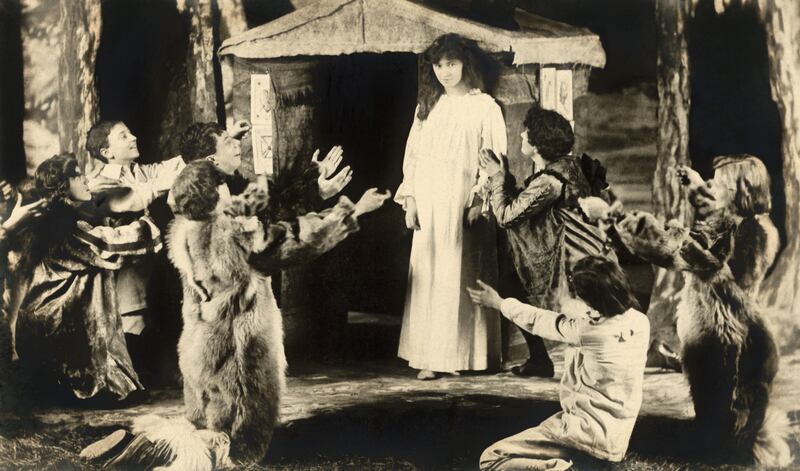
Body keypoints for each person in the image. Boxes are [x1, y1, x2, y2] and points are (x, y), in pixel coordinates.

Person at [167, 160, 390, 460]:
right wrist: (354, 210)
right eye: (223, 187)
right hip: (240, 345)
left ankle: (200, 455)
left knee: (205, 415)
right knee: (245, 426)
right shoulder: (235, 234)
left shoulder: (185, 235)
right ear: (215, 194)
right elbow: (294, 239)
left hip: (201, 343)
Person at [468, 256, 649, 470]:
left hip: (580, 433)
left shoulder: (587, 332)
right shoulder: (640, 322)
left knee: (491, 458)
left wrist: (498, 302)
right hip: (616, 441)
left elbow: (538, 320)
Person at [395, 33, 506, 380]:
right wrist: (410, 199)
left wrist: (478, 197)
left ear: (465, 64)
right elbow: (412, 157)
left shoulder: (485, 107)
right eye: (439, 65)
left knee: (459, 275)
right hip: (430, 204)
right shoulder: (427, 108)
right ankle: (431, 356)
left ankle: (466, 355)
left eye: (452, 64)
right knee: (430, 276)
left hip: (461, 202)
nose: (445, 72)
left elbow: (494, 157)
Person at [13, 153, 162, 402]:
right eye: (76, 175)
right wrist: (148, 222)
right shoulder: (60, 225)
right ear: (62, 185)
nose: (84, 180)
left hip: (49, 319)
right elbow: (105, 245)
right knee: (101, 389)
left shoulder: (60, 219)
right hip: (53, 322)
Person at [478, 107, 613, 377]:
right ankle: (540, 360)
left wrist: (497, 177)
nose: (521, 135)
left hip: (573, 259)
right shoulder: (567, 166)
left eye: (526, 132)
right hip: (585, 252)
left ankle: (578, 367)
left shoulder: (550, 180)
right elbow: (526, 203)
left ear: (539, 143)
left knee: (581, 317)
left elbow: (506, 215)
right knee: (511, 283)